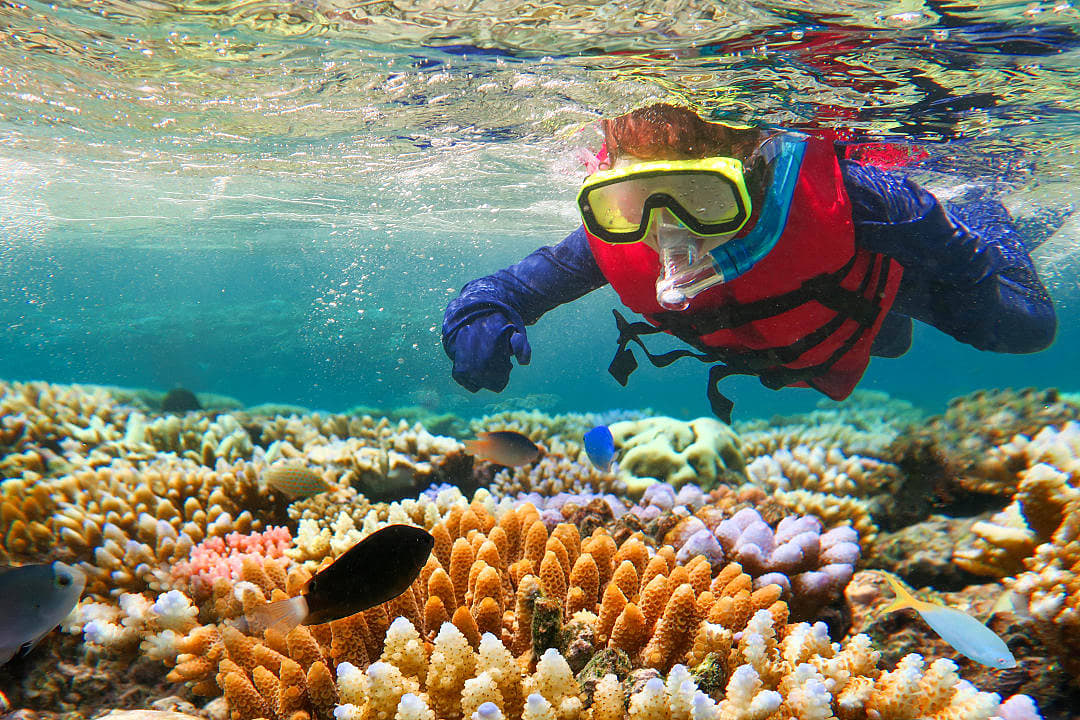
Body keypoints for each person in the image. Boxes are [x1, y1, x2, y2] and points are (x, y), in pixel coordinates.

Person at [442, 104, 1057, 421]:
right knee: (889, 344)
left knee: (1024, 329)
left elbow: (953, 257)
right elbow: (508, 289)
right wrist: (477, 313)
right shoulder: (624, 236)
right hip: (827, 310)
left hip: (878, 262)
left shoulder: (857, 199)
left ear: (757, 173)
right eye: (634, 202)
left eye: (702, 198)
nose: (668, 231)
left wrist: (966, 281)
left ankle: (988, 210)